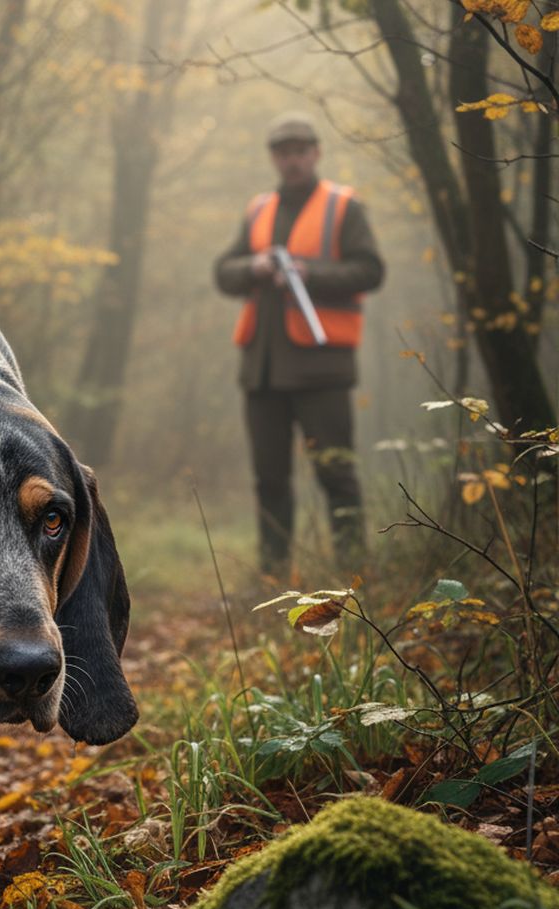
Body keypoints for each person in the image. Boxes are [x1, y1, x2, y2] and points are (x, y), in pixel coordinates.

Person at [214, 111, 384, 580]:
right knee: (269, 479)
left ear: (316, 153)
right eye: (283, 153)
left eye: (300, 152)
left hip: (321, 369)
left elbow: (370, 270)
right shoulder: (259, 209)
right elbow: (224, 271)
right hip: (262, 370)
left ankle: (354, 572)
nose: (292, 160)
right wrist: (254, 267)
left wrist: (310, 272)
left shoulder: (343, 206)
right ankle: (272, 575)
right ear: (274, 158)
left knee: (336, 473)